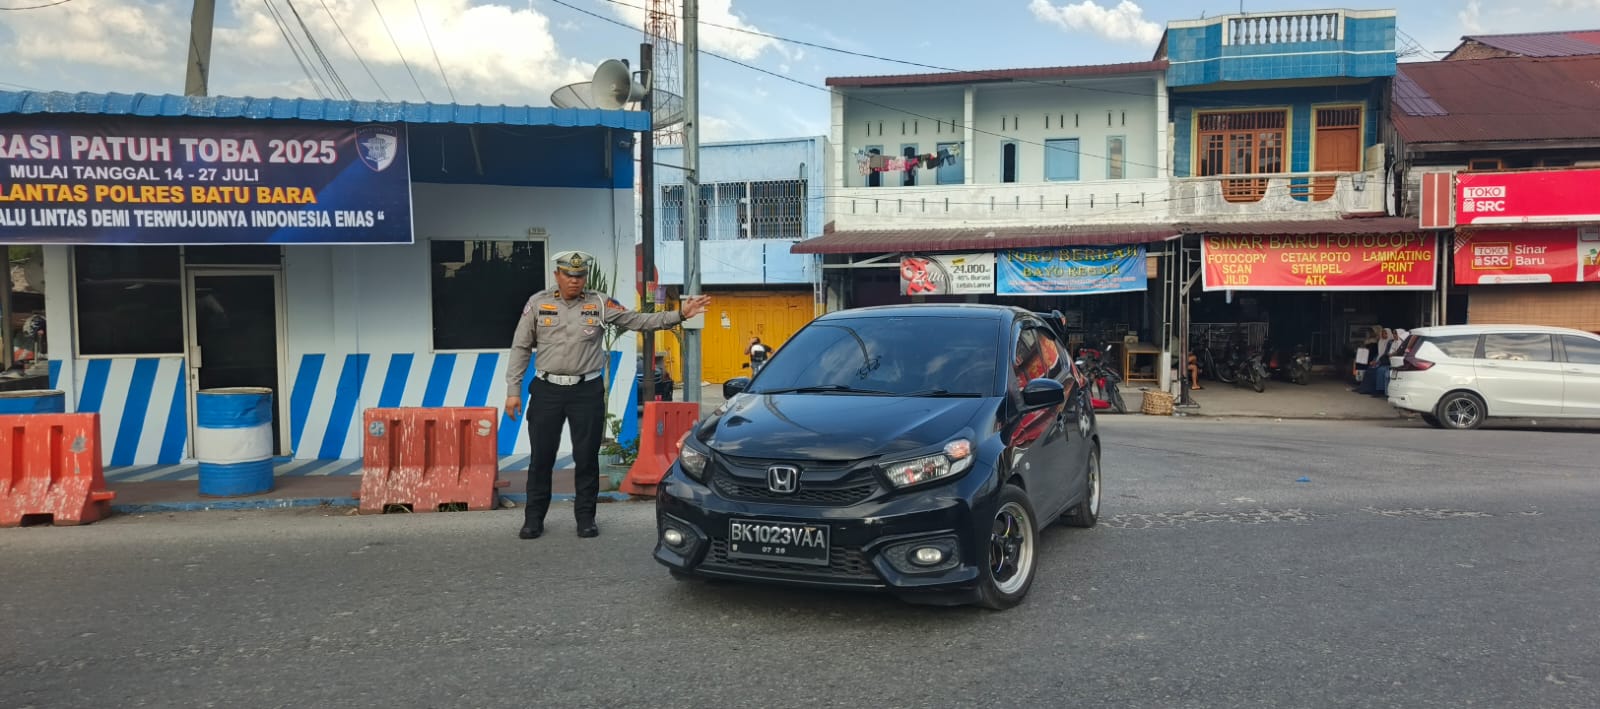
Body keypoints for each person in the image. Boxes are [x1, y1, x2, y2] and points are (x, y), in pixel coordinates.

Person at [504, 250, 711, 540]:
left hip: (586, 390)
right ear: (557, 276)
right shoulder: (538, 304)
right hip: (547, 390)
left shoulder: (599, 303)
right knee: (541, 457)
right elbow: (521, 347)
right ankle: (533, 519)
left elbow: (638, 320)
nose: (575, 281)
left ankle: (586, 519)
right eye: (568, 275)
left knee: (586, 457)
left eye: (580, 275)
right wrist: (513, 390)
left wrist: (679, 315)